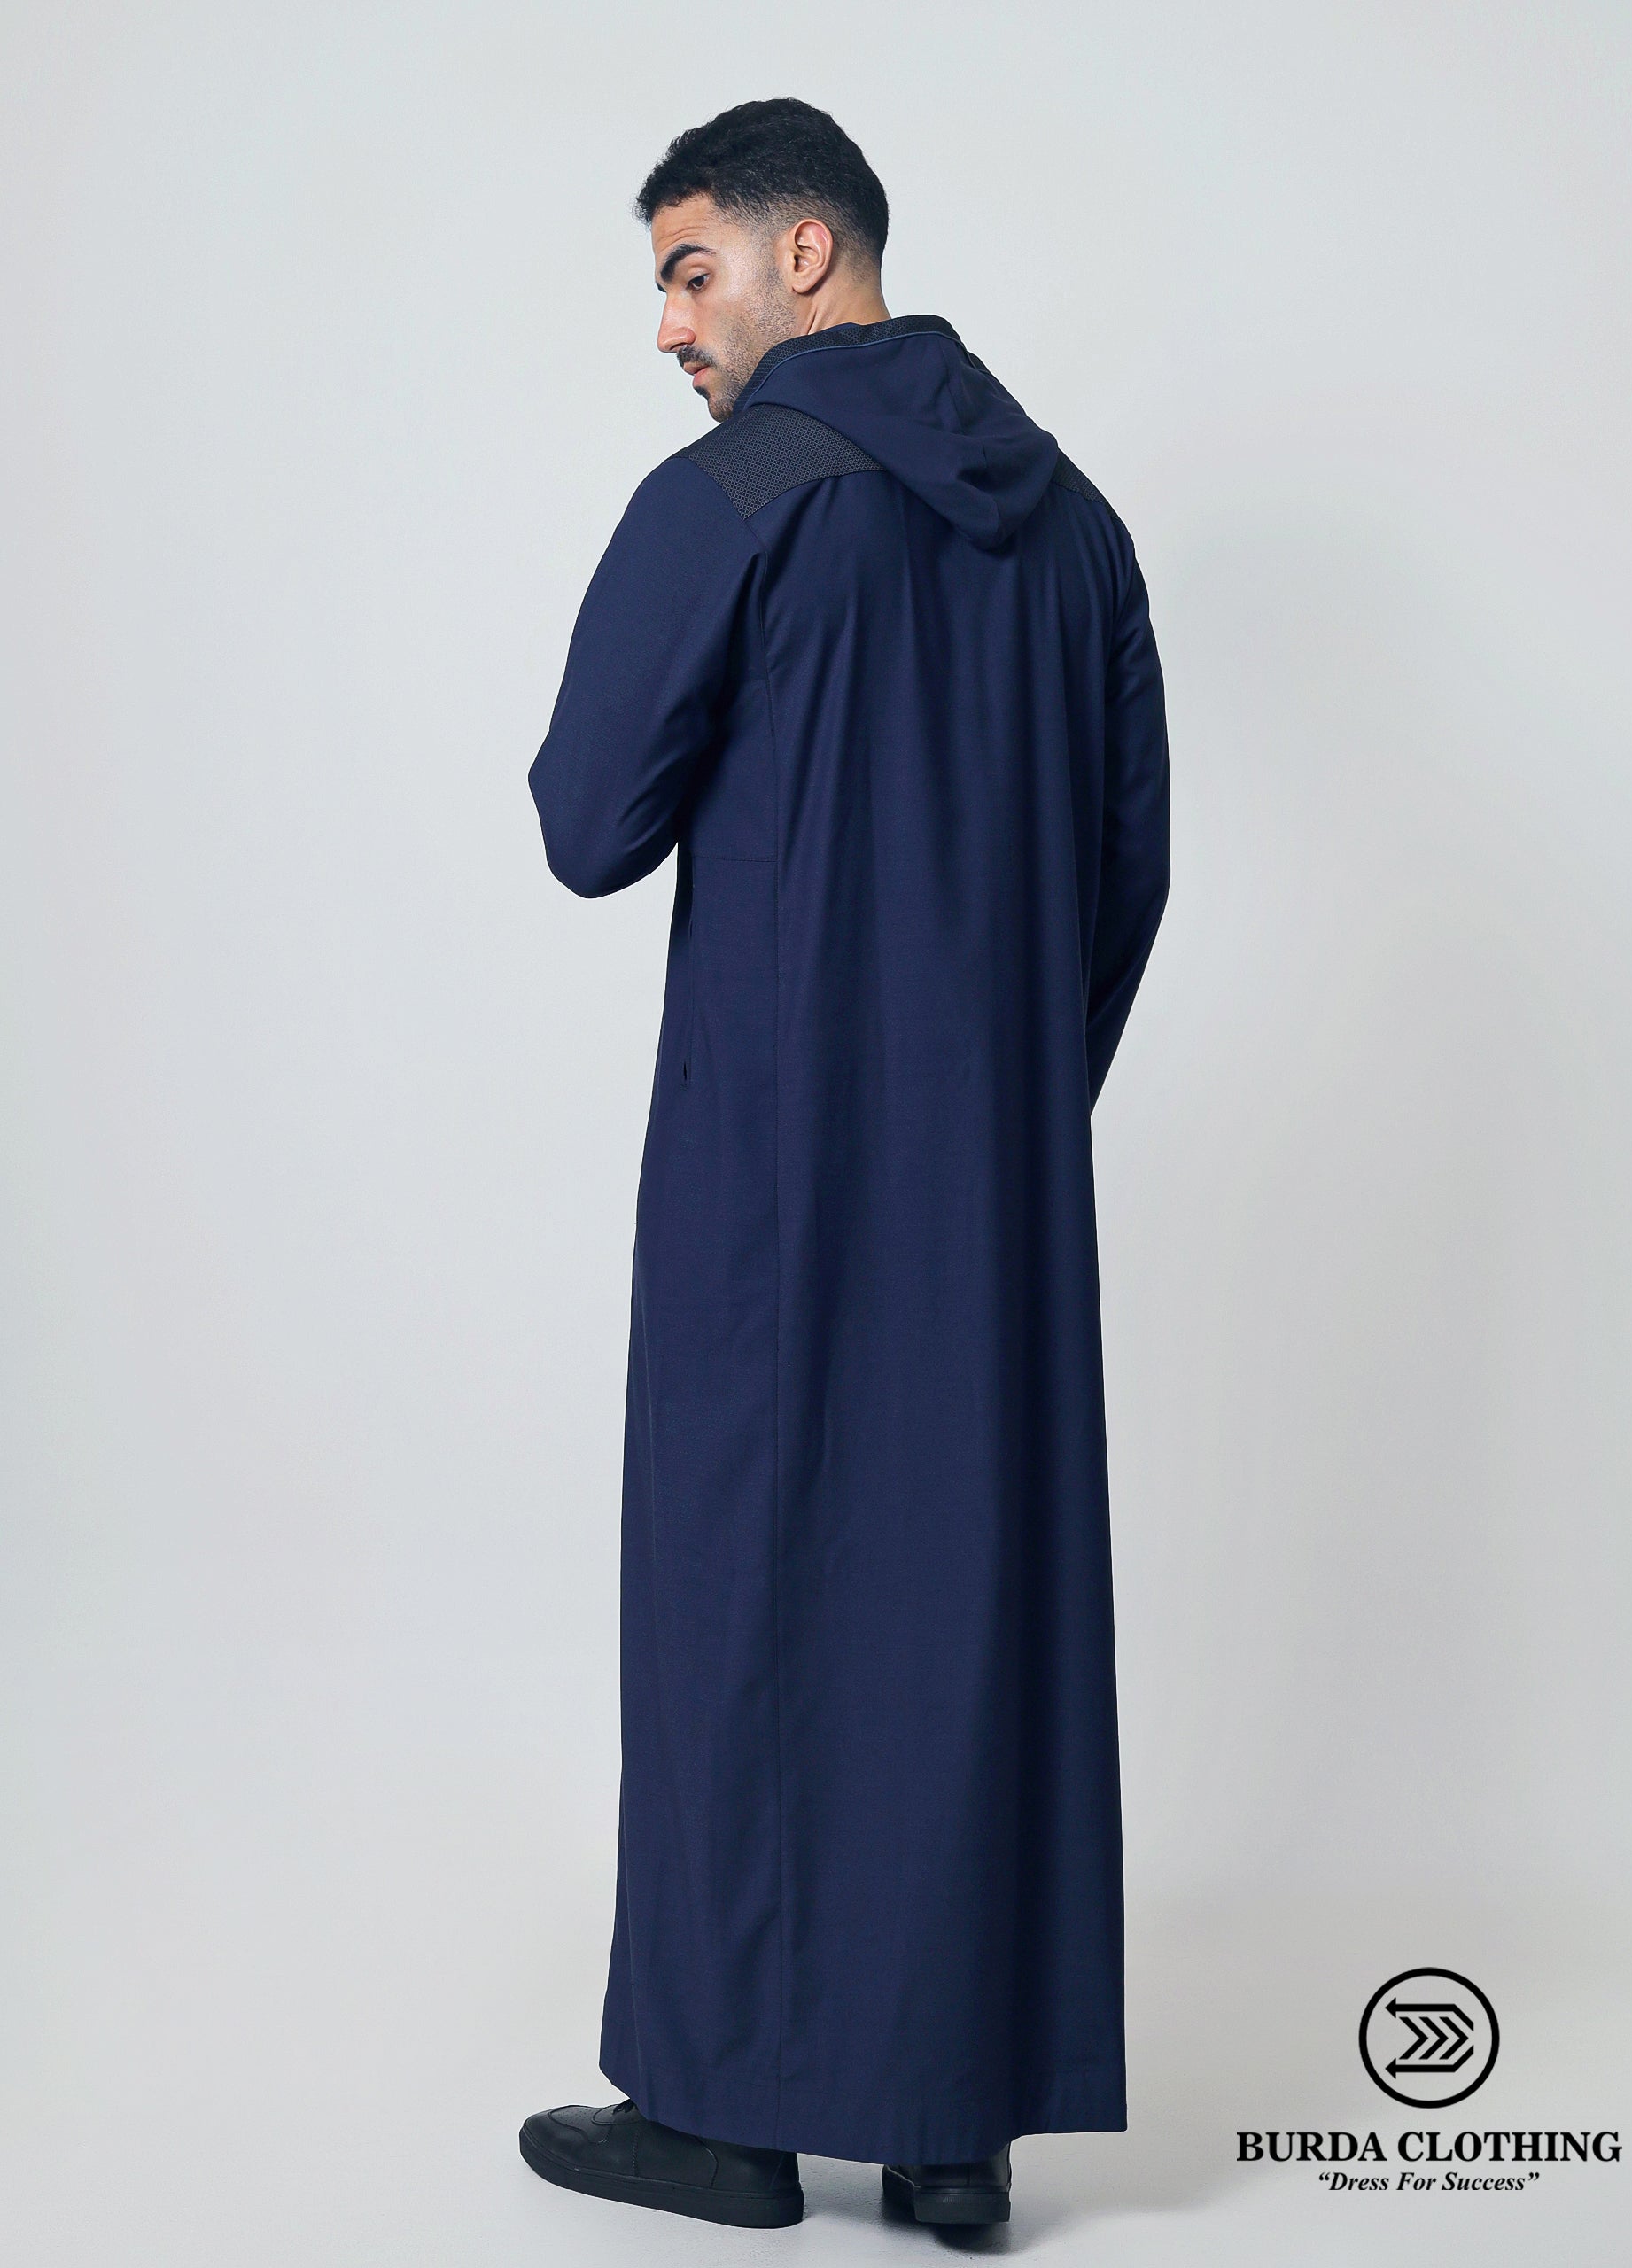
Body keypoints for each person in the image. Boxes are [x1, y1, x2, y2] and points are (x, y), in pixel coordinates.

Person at [521, 97, 1170, 2232]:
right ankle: (950, 2131)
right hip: (999, 1199)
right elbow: (1127, 873)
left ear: (808, 256)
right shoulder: (1078, 528)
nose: (670, 325)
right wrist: (1002, 1113)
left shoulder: (741, 491)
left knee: (743, 1592)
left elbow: (589, 819)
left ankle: (722, 2115)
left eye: (689, 269)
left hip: (771, 1176)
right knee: (961, 1611)